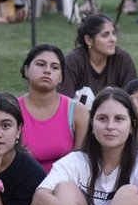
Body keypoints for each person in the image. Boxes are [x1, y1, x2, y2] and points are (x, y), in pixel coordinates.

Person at [18, 44, 89, 173]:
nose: (47, 70)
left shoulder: (78, 112)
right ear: (26, 70)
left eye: (55, 67)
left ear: (61, 77)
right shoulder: (12, 109)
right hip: (21, 185)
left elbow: (82, 165)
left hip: (64, 186)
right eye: (40, 64)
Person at [59, 12, 138, 102]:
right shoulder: (73, 62)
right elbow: (63, 103)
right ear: (89, 40)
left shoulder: (122, 60)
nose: (113, 39)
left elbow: (132, 101)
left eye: (113, 33)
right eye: (105, 35)